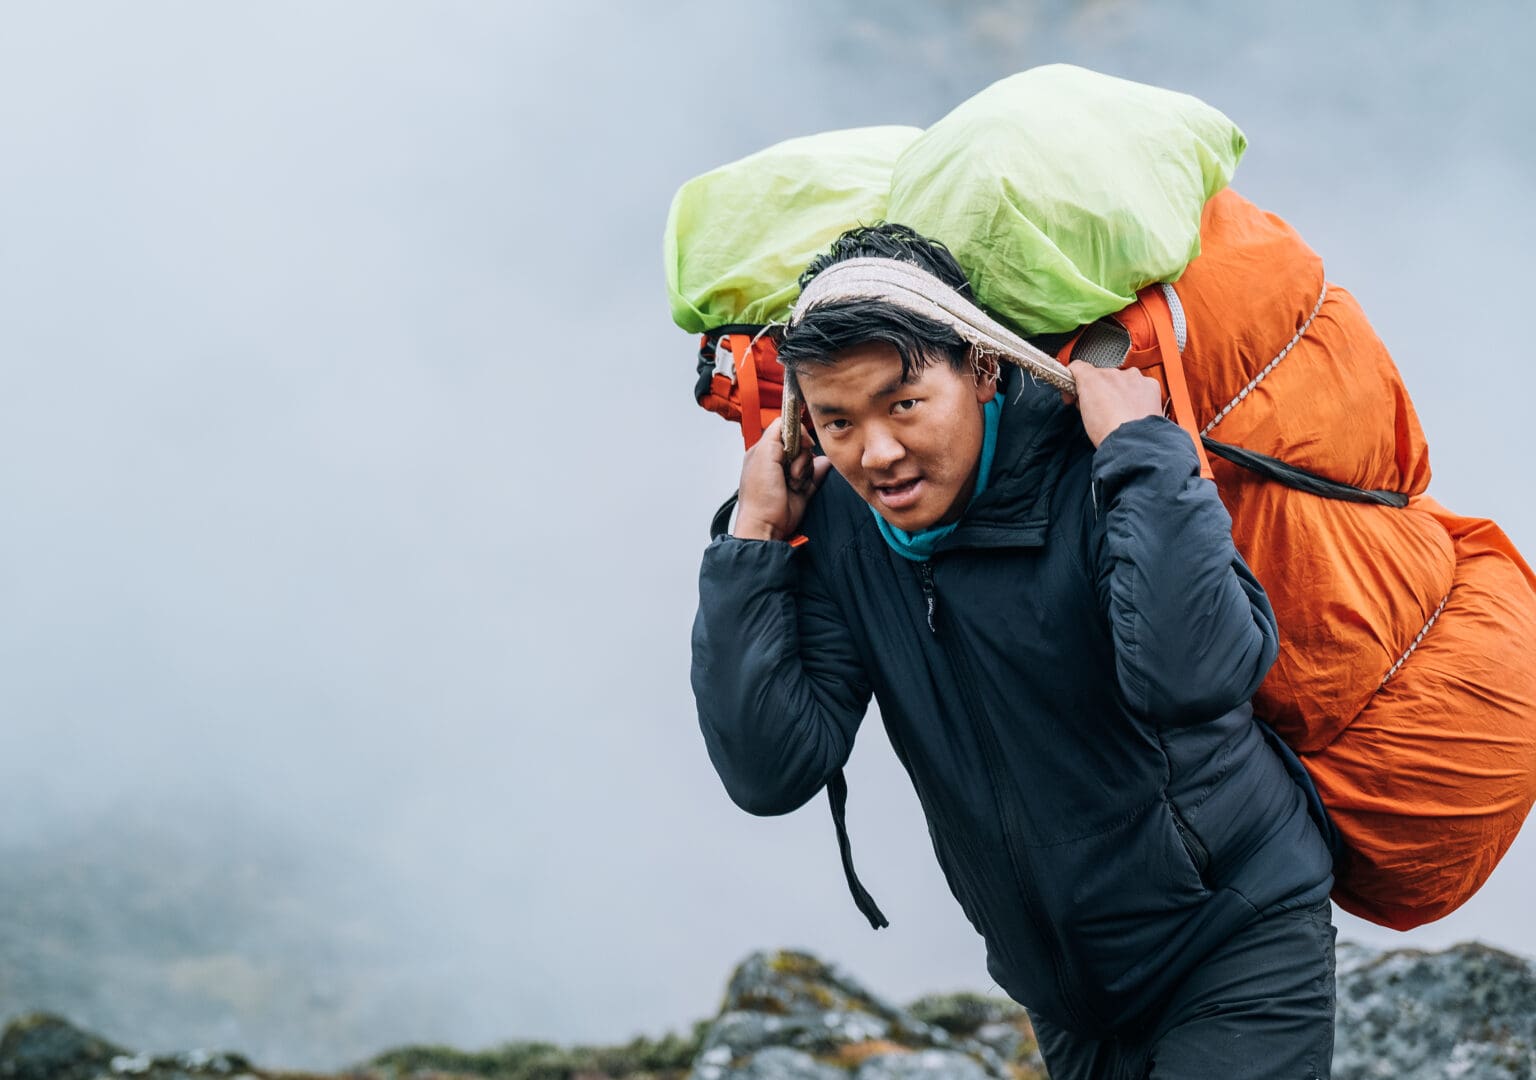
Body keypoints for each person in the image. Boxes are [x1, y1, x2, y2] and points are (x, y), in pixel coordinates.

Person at [689, 223, 1338, 1079]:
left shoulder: (1093, 471)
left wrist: (1145, 456)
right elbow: (771, 770)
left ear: (983, 369)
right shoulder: (847, 528)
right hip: (1066, 999)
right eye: (838, 420)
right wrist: (755, 536)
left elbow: (1194, 677)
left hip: (1231, 943)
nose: (876, 452)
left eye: (903, 403)